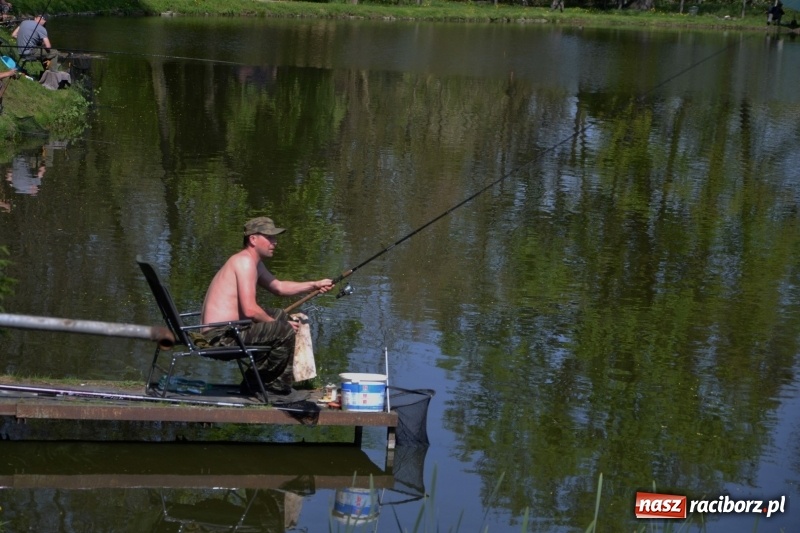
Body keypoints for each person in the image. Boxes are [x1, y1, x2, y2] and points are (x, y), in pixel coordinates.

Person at [199, 216, 334, 396]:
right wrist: (278, 325)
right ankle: (269, 387)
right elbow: (250, 310)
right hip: (218, 337)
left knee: (279, 315)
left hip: (230, 331)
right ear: (253, 239)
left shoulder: (252, 262)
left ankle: (259, 382)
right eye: (269, 237)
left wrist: (314, 285)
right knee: (283, 330)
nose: (274, 242)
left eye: (274, 237)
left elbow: (279, 287)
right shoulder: (244, 262)